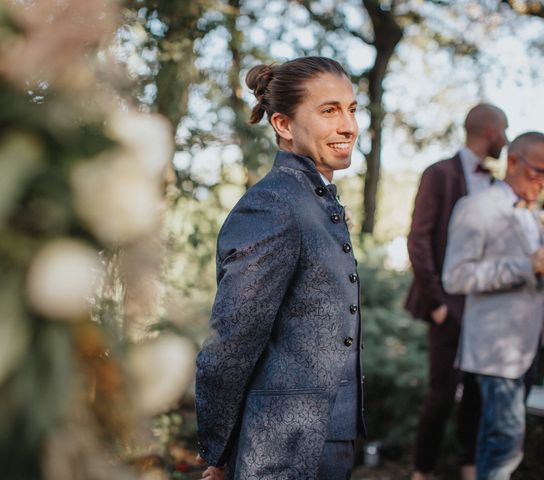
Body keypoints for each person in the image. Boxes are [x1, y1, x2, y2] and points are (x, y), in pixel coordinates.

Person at [194, 57, 366, 480]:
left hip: (328, 443)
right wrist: (218, 451)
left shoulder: (316, 199)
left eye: (352, 109)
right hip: (280, 450)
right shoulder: (272, 204)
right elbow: (231, 342)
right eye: (329, 110)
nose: (348, 126)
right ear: (283, 125)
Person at [405, 104, 508, 480]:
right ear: (492, 132)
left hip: (485, 309)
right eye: (506, 131)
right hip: (447, 306)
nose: (508, 140)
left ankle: (470, 469)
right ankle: (421, 471)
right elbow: (419, 240)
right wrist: (437, 304)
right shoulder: (440, 173)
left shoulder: (498, 186)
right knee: (442, 396)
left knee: (478, 397)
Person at [442, 131, 544, 480]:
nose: (543, 181)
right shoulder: (476, 207)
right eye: (538, 171)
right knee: (504, 445)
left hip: (529, 345)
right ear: (513, 161)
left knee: (499, 442)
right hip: (496, 350)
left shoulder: (534, 213)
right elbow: (455, 277)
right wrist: (527, 266)